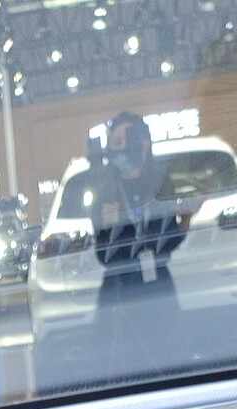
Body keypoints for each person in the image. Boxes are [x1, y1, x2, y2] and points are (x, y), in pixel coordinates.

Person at [90, 112, 190, 385]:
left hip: (157, 286)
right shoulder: (106, 191)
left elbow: (167, 243)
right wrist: (109, 226)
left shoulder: (160, 183)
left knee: (167, 366)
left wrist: (185, 221)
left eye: (129, 139)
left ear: (144, 142)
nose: (122, 148)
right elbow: (103, 255)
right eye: (116, 142)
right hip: (119, 290)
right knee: (121, 373)